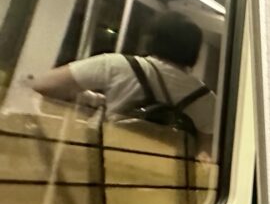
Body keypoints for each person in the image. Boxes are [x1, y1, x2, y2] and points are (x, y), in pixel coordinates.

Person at [30, 12, 215, 157]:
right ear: (194, 52)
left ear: (150, 40)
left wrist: (93, 99)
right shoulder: (206, 97)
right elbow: (204, 152)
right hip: (168, 181)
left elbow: (43, 84)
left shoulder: (118, 65)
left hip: (108, 161)